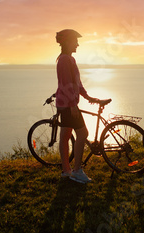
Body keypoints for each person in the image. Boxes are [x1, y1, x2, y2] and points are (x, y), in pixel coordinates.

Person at [55, 29, 99, 183]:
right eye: (75, 41)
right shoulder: (65, 60)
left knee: (65, 136)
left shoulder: (68, 59)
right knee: (83, 134)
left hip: (66, 103)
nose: (78, 44)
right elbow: (67, 84)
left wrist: (88, 97)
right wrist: (73, 104)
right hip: (68, 105)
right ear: (67, 42)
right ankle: (77, 170)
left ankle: (66, 171)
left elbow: (76, 83)